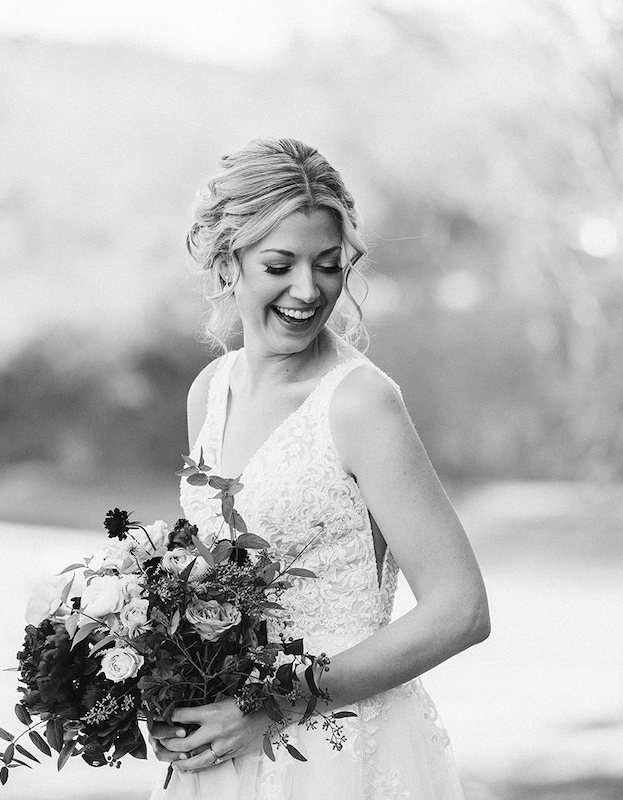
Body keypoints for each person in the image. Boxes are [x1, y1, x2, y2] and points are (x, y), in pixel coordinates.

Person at [147, 138, 490, 799]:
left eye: (328, 266)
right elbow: (214, 593)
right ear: (228, 262)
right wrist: (169, 694)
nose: (308, 291)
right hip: (225, 759)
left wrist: (276, 704)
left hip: (342, 756)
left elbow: (461, 609)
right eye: (280, 265)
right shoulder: (208, 393)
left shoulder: (362, 403)